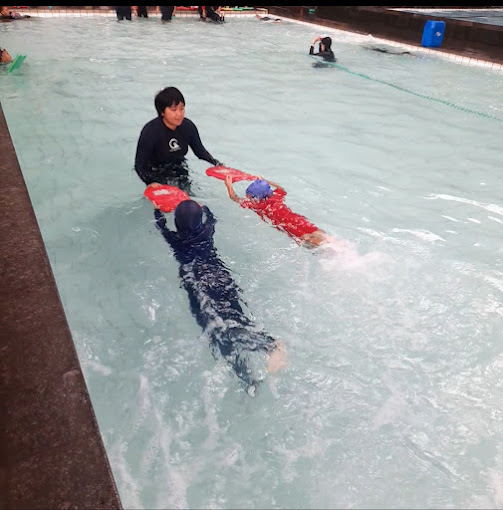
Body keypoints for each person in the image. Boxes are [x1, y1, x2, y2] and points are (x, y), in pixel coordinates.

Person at [154, 199, 287, 395]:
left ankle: (269, 346)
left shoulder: (174, 239)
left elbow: (160, 224)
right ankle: (251, 377)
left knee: (216, 330)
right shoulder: (207, 232)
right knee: (234, 318)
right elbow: (212, 217)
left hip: (196, 284)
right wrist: (204, 207)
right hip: (220, 277)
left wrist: (158, 206)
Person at [135, 86, 223, 193]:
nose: (179, 114)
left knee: (188, 201)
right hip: (155, 173)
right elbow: (139, 165)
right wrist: (150, 182)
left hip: (179, 168)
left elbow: (200, 152)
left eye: (182, 109)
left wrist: (216, 163)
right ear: (162, 112)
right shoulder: (150, 131)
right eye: (173, 110)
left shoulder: (188, 127)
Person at [224, 175, 334, 249]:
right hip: (296, 218)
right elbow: (282, 189)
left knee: (306, 239)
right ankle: (332, 243)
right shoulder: (276, 196)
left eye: (250, 197)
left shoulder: (257, 206)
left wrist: (229, 186)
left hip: (288, 225)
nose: (248, 198)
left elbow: (234, 198)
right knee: (315, 231)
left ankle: (327, 250)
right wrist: (266, 181)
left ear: (257, 198)